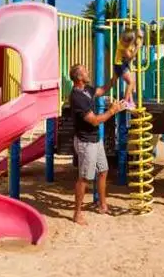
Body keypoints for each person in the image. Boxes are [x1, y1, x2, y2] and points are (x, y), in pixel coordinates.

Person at [69, 63, 127, 225]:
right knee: (84, 178)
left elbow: (103, 89)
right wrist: (112, 111)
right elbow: (94, 121)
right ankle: (77, 213)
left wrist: (116, 75)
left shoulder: (87, 90)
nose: (88, 72)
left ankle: (102, 205)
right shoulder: (76, 97)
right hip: (86, 142)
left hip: (95, 139)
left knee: (103, 170)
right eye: (85, 71)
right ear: (79, 77)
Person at [113, 28, 144, 110]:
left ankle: (131, 101)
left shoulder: (130, 38)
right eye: (125, 41)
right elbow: (130, 57)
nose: (126, 43)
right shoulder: (123, 46)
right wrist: (137, 48)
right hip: (119, 65)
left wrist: (140, 36)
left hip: (124, 64)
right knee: (131, 82)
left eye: (128, 42)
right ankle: (125, 102)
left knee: (130, 82)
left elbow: (138, 34)